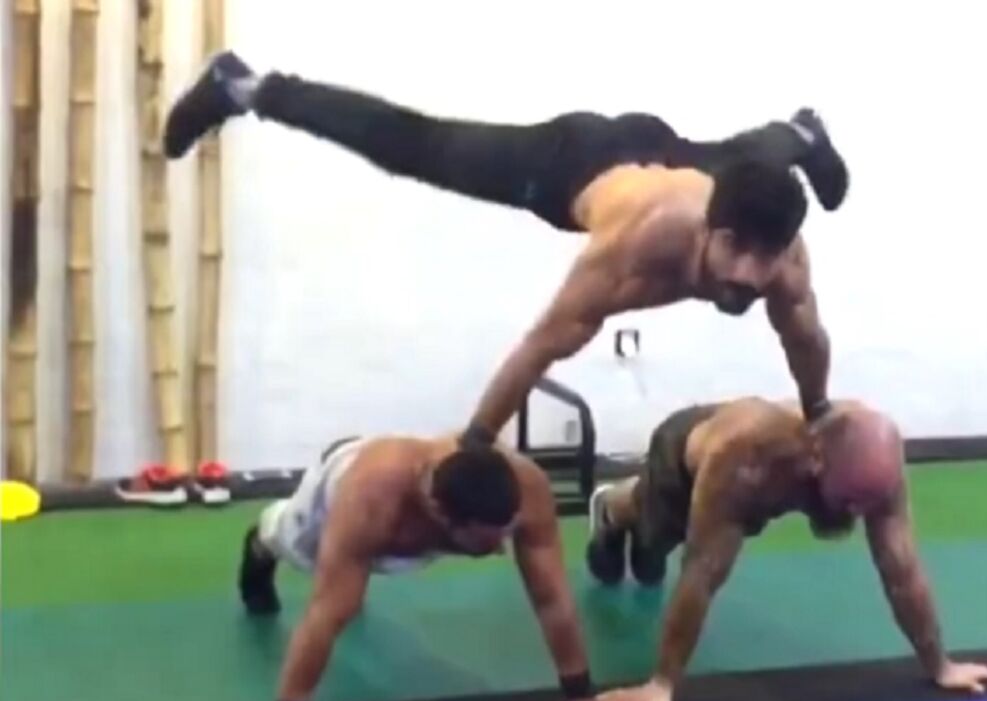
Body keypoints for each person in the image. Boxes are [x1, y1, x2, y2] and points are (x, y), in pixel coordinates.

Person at [163, 52, 847, 445]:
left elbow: (806, 340)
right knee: (418, 147)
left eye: (766, 260)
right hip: (572, 161)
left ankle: (800, 134)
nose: (752, 278)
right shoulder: (633, 248)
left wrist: (818, 416)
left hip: (676, 160)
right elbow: (542, 345)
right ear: (711, 234)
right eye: (739, 255)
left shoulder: (778, 253)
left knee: (742, 161)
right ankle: (245, 87)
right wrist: (476, 443)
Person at [222, 434, 645, 701]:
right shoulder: (370, 500)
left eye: (503, 534)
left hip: (416, 513)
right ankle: (260, 545)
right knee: (305, 556)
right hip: (342, 484)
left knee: (364, 570)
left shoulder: (527, 487)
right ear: (441, 517)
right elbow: (325, 614)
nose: (500, 549)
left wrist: (581, 696)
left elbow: (552, 599)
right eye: (486, 542)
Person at [584, 397, 987, 701]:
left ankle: (635, 519)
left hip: (766, 460)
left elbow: (902, 570)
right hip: (685, 454)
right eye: (850, 501)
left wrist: (940, 666)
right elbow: (702, 573)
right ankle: (613, 508)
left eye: (867, 505)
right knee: (653, 545)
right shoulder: (747, 461)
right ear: (817, 462)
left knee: (655, 559)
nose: (860, 514)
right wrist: (662, 683)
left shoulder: (873, 467)